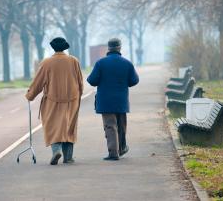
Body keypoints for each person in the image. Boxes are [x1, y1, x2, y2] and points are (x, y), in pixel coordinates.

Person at [26, 37, 83, 165]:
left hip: (52, 100)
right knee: (70, 126)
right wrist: (78, 97)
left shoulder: (47, 63)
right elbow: (80, 82)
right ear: (65, 47)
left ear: (53, 48)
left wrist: (30, 95)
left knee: (53, 125)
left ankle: (56, 150)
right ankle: (68, 157)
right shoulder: (74, 61)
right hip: (72, 100)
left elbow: (38, 82)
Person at [87, 38, 139, 161]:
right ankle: (121, 149)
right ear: (120, 47)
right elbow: (135, 80)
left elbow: (91, 80)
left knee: (110, 126)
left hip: (105, 101)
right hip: (121, 100)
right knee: (121, 126)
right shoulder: (127, 63)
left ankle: (113, 153)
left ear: (108, 48)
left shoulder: (100, 63)